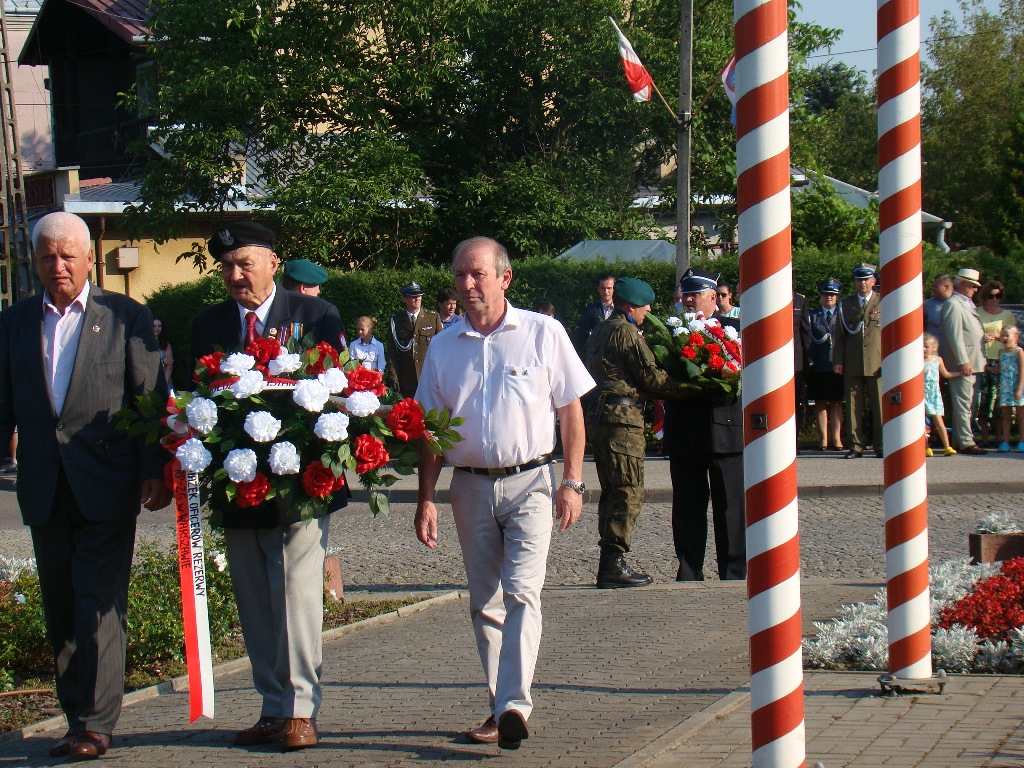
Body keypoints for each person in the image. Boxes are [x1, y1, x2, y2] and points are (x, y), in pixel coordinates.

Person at [0, 212, 171, 759]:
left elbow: (151, 401)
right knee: (61, 605)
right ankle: (76, 714)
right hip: (44, 486)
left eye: (68, 255)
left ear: (88, 258)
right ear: (35, 262)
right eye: (48, 257)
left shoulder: (126, 318)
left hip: (106, 481)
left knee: (98, 603)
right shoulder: (14, 322)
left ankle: (97, 723)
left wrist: (155, 470)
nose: (59, 266)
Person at [414, 236, 594, 750]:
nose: (467, 285)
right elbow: (431, 427)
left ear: (504, 278)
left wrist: (573, 481)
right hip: (468, 485)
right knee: (485, 602)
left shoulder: (543, 333)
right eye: (459, 277)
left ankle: (515, 704)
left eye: (477, 275)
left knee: (522, 591)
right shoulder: (444, 345)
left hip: (531, 482)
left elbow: (571, 411)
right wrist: (427, 496)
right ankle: (500, 707)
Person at [191, 221, 347, 751]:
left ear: (273, 263)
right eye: (228, 266)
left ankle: (301, 709)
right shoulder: (207, 324)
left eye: (245, 264)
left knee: (296, 595)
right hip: (235, 484)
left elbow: (337, 393)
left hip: (298, 485)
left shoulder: (313, 316)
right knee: (254, 598)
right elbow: (193, 399)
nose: (236, 275)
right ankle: (271, 705)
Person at [584, 277, 688, 589]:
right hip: (622, 419)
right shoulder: (626, 331)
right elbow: (650, 378)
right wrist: (689, 389)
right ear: (630, 306)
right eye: (645, 305)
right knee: (627, 489)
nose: (649, 310)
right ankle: (613, 564)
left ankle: (610, 562)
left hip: (603, 416)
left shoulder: (603, 327)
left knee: (612, 489)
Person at [663, 267, 745, 581]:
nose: (688, 300)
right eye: (685, 294)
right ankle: (688, 568)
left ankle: (735, 571)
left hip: (725, 428)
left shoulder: (733, 329)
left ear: (713, 296)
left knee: (731, 508)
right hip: (685, 431)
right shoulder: (671, 331)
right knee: (687, 508)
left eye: (695, 294)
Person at [832, 263, 883, 458]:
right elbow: (840, 336)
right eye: (859, 280)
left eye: (866, 280)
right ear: (854, 282)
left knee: (879, 405)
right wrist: (838, 360)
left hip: (877, 362)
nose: (862, 283)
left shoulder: (883, 301)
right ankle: (855, 445)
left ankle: (880, 444)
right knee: (853, 406)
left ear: (873, 281)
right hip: (852, 361)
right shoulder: (846, 303)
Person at [940, 267, 987, 455]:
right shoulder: (954, 304)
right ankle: (966, 441)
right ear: (964, 285)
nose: (975, 290)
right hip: (965, 364)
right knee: (963, 403)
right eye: (973, 286)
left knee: (969, 403)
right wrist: (962, 361)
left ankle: (962, 439)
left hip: (974, 361)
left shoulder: (966, 303)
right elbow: (954, 336)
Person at [384, 281, 441, 398]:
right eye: (413, 296)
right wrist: (393, 376)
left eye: (419, 296)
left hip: (429, 378)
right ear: (405, 299)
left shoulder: (433, 318)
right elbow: (392, 352)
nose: (417, 299)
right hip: (407, 380)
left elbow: (442, 349)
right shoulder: (396, 321)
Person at [976, 280, 1016, 445]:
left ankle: (1000, 438)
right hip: (981, 357)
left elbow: (1013, 339)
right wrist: (981, 337)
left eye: (998, 296)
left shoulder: (1007, 315)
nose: (995, 300)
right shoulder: (976, 312)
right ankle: (985, 437)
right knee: (982, 399)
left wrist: (999, 336)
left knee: (1000, 401)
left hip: (1001, 359)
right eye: (992, 296)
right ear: (985, 296)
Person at [807, 278, 844, 451]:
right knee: (820, 402)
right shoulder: (813, 316)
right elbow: (808, 340)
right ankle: (823, 439)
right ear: (821, 296)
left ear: (837, 297)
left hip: (837, 364)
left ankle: (836, 438)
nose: (829, 298)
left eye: (832, 295)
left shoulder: (843, 315)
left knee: (836, 402)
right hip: (819, 364)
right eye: (826, 294)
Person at [923, 333, 958, 457]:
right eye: (922, 346)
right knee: (922, 423)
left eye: (926, 346)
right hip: (922, 394)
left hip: (934, 394)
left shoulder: (938, 360)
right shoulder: (917, 360)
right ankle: (926, 447)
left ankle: (947, 446)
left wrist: (960, 374)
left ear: (934, 347)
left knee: (939, 422)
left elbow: (946, 374)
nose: (923, 349)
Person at [996, 325, 1024, 453]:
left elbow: (1022, 371)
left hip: (1017, 385)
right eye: (1002, 335)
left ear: (1016, 337)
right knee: (1006, 415)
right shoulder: (1001, 352)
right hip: (1005, 386)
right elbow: (1002, 368)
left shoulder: (1019, 352)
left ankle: (1022, 441)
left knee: (1020, 415)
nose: (1004, 338)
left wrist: (1019, 388)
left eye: (1007, 335)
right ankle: (1005, 441)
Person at [576, 273, 615, 347]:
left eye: (609, 288)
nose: (606, 292)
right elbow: (582, 335)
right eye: (603, 288)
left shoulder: (620, 309)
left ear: (614, 289)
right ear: (598, 289)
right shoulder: (590, 311)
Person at [924, 274, 954, 346]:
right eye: (933, 286)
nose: (933, 289)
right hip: (934, 351)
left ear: (946, 287)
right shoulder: (927, 304)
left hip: (952, 349)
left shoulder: (959, 303)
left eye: (936, 286)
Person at [153, 316, 174, 389]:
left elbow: (170, 365)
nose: (157, 328)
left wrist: (164, 384)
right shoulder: (144, 344)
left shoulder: (166, 344)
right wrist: (162, 361)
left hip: (164, 378)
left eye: (159, 326)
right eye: (154, 326)